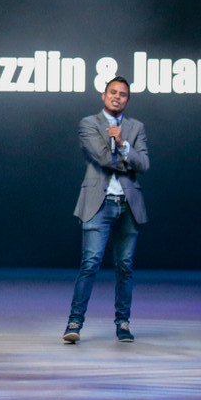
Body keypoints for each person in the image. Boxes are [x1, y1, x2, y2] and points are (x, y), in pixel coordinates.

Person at [63, 76, 150, 344]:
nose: (117, 97)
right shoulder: (89, 123)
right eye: (113, 92)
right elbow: (102, 158)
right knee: (90, 264)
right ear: (103, 95)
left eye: (122, 94)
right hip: (98, 204)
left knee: (125, 266)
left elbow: (144, 164)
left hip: (128, 205)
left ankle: (123, 323)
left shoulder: (136, 127)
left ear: (127, 100)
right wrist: (128, 159)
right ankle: (74, 322)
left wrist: (123, 144)